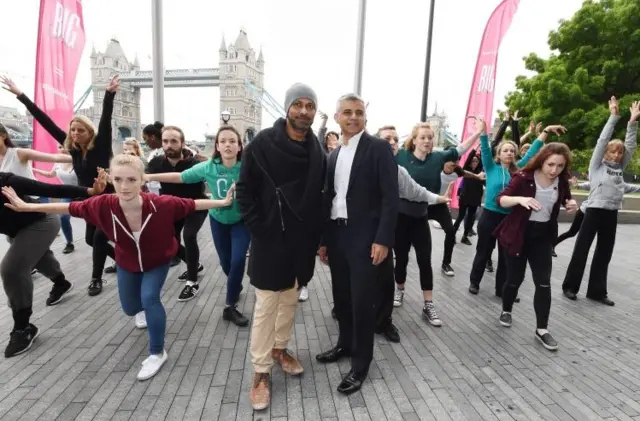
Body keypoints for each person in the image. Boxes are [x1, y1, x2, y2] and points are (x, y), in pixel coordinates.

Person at [2, 154, 234, 379]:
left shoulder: (161, 204)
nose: (124, 186)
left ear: (142, 180)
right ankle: (141, 311)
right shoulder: (103, 205)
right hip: (128, 262)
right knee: (131, 308)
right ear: (111, 179)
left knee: (150, 298)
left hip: (157, 261)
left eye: (132, 179)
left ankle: (157, 352)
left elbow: (193, 204)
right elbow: (68, 208)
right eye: (119, 179)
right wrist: (28, 207)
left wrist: (223, 202)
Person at [236, 83, 326, 410]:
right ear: (287, 107)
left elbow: (321, 199)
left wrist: (320, 240)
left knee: (290, 300)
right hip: (269, 239)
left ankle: (279, 348)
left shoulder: (317, 150)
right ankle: (261, 371)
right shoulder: (262, 144)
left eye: (310, 105)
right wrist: (260, 228)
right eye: (298, 104)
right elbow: (244, 190)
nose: (304, 111)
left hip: (301, 242)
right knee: (266, 305)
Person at [2, 74, 118, 297]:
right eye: (73, 130)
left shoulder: (101, 145)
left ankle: (96, 279)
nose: (75, 134)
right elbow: (45, 121)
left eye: (80, 130)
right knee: (89, 240)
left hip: (107, 197)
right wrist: (21, 96)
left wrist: (109, 94)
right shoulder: (73, 149)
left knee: (98, 238)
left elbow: (106, 118)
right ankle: (124, 259)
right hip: (87, 197)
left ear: (90, 132)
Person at [315, 93, 398, 396]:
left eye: (359, 112)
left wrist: (383, 239)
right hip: (337, 235)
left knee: (363, 302)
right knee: (343, 298)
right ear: (337, 117)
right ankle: (345, 345)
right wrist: (324, 241)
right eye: (347, 112)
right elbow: (331, 198)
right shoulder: (335, 153)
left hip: (366, 238)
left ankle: (361, 365)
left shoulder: (378, 148)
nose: (353, 117)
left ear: (365, 117)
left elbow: (391, 197)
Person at [146, 125, 250, 325]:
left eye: (232, 141)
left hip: (241, 221)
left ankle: (229, 306)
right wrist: (149, 176)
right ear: (217, 146)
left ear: (239, 146)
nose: (228, 145)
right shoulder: (208, 167)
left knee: (238, 261)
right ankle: (234, 285)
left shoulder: (248, 166)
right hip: (218, 220)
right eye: (223, 141)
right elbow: (180, 177)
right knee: (227, 264)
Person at [0, 170, 105, 357]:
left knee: (12, 269)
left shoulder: (6, 181)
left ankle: (23, 328)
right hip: (17, 231)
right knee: (38, 257)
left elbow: (50, 188)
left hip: (42, 221)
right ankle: (61, 283)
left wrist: (91, 191)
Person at [494, 143, 578, 351]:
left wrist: (570, 203)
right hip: (518, 234)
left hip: (542, 237)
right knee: (515, 279)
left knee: (543, 283)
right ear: (542, 160)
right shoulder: (524, 178)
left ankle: (542, 329)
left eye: (560, 166)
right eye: (551, 164)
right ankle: (506, 309)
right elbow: (501, 200)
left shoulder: (561, 181)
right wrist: (520, 199)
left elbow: (566, 197)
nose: (554, 170)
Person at [468, 119, 564, 297]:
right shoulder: (490, 167)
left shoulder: (518, 169)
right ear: (499, 153)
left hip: (509, 219)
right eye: (505, 150)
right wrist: (482, 132)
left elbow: (533, 152)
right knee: (483, 251)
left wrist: (547, 131)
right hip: (489, 216)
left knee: (506, 257)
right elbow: (485, 149)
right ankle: (475, 282)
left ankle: (501, 290)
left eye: (512, 151)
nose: (509, 153)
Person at [562, 98, 639, 306]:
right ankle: (570, 287)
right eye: (613, 151)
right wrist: (613, 117)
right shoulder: (597, 165)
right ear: (606, 153)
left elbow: (631, 144)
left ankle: (596, 292)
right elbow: (602, 141)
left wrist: (633, 123)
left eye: (619, 152)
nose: (616, 155)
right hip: (593, 212)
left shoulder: (620, 168)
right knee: (582, 249)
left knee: (604, 252)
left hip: (611, 213)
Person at [143, 126, 209, 303]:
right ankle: (193, 263)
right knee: (168, 239)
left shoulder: (195, 163)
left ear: (182, 143)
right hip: (171, 208)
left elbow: (212, 174)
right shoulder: (156, 163)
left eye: (173, 141)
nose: (169, 145)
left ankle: (192, 281)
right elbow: (142, 178)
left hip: (195, 206)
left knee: (189, 235)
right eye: (165, 141)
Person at [31, 144, 78, 254]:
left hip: (84, 192)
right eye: (59, 147)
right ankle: (69, 243)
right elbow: (50, 175)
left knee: (92, 219)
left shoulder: (78, 160)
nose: (62, 149)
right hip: (68, 194)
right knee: (63, 218)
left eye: (64, 146)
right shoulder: (57, 162)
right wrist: (33, 169)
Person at [453, 149, 484, 245]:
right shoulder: (466, 170)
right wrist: (474, 150)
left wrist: (482, 150)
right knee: (460, 217)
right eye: (472, 160)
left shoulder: (481, 172)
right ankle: (452, 235)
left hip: (475, 199)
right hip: (464, 197)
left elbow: (483, 160)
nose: (474, 162)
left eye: (476, 161)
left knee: (470, 219)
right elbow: (468, 159)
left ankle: (465, 236)